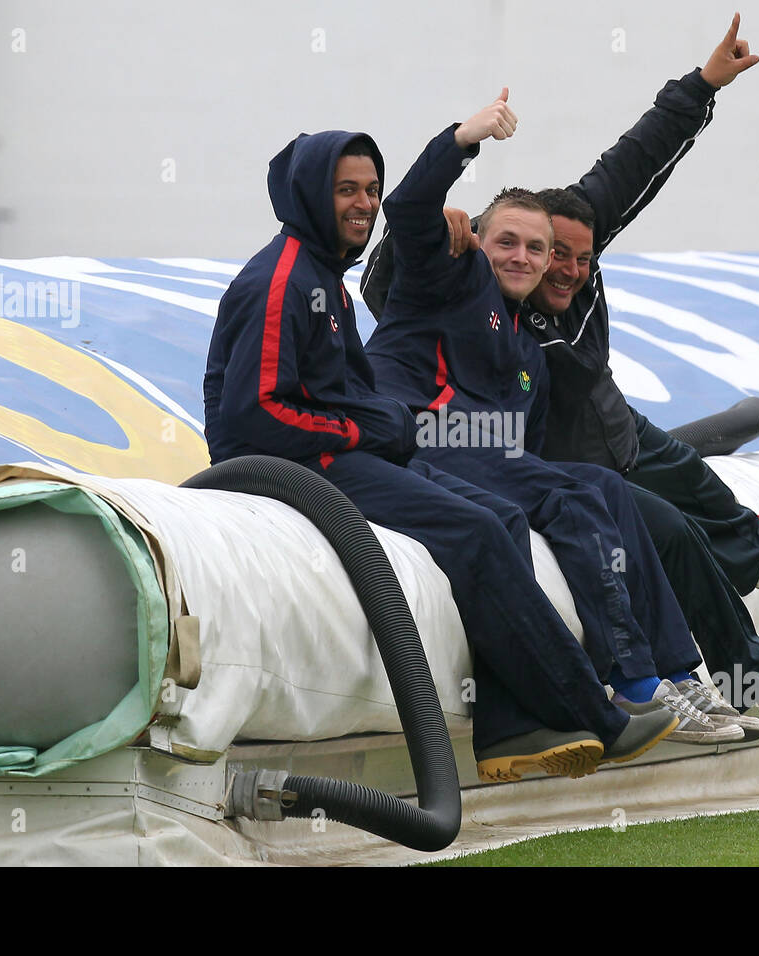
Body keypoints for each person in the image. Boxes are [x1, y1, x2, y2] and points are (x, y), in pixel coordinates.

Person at [361, 14, 759, 741]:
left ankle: (745, 559)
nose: (558, 267)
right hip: (545, 457)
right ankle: (727, 680)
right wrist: (444, 194)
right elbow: (401, 269)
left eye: (565, 253)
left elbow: (631, 164)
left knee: (670, 486)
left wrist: (704, 84)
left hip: (610, 432)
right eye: (517, 247)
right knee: (666, 532)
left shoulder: (566, 262)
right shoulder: (466, 289)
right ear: (480, 247)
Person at [203, 127, 681, 783]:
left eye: (370, 189)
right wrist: (362, 430)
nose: (364, 204)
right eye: (347, 190)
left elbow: (337, 394)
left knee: (504, 517)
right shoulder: (283, 279)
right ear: (311, 193)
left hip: (335, 453)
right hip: (292, 468)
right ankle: (597, 715)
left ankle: (510, 728)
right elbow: (252, 413)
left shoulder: (326, 279)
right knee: (478, 529)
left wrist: (373, 423)